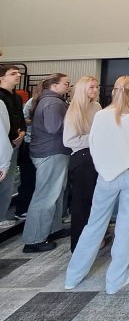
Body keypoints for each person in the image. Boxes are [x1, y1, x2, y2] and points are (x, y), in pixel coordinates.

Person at [64, 75, 129, 295]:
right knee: (125, 226)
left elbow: (93, 145)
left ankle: (73, 276)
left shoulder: (101, 115)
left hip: (106, 175)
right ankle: (115, 280)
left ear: (114, 91)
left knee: (94, 224)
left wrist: (104, 167)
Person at [21, 73, 71, 252]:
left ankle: (53, 228)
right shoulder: (52, 103)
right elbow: (54, 128)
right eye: (66, 83)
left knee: (55, 193)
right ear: (54, 86)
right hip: (51, 152)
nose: (68, 86)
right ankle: (34, 239)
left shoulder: (49, 100)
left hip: (52, 151)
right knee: (46, 196)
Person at [62, 76, 102, 252]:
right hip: (82, 158)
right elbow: (69, 140)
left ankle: (94, 240)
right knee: (81, 203)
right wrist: (95, 138)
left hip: (96, 157)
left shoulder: (97, 106)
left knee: (95, 202)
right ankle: (78, 245)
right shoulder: (74, 110)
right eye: (91, 87)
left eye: (96, 87)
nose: (95, 90)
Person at [0, 65, 26, 227]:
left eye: (18, 73)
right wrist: (12, 138)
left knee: (8, 183)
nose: (18, 75)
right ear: (2, 77)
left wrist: (22, 132)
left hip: (15, 144)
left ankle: (1, 215)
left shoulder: (17, 97)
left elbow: (20, 119)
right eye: (13, 73)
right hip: (4, 144)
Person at [14, 91, 38, 220]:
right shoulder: (32, 102)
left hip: (38, 144)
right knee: (28, 178)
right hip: (28, 143)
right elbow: (23, 120)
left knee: (33, 179)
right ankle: (22, 209)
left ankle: (27, 208)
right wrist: (35, 121)